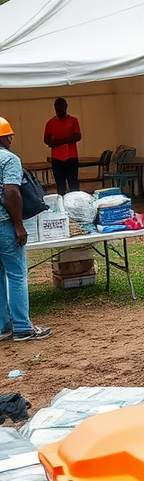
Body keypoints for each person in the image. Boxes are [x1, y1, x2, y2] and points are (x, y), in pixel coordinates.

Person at [0, 118, 51, 341]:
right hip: (4, 225)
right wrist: (19, 224)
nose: (11, 138)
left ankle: (3, 326)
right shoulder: (8, 159)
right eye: (8, 134)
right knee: (17, 274)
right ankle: (22, 327)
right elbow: (11, 191)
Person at [42, 98, 82, 195]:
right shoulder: (50, 123)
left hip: (71, 156)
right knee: (60, 186)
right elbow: (46, 140)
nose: (59, 111)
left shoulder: (73, 120)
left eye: (61, 108)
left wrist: (56, 142)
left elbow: (77, 136)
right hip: (57, 158)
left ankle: (76, 203)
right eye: (57, 109)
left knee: (73, 184)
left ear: (66, 107)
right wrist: (67, 140)